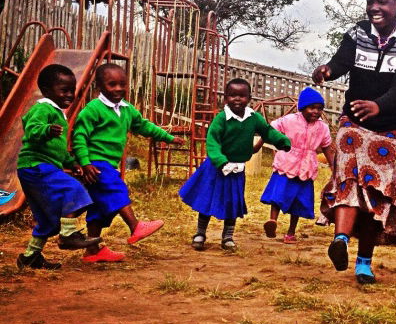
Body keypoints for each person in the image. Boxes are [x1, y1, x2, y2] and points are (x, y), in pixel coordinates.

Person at [312, 0, 396, 285]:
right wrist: (328, 69)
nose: (374, 7)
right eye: (370, 1)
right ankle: (340, 240)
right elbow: (341, 61)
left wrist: (379, 106)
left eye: (382, 1)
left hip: (392, 127)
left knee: (377, 190)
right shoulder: (356, 33)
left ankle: (364, 260)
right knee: (350, 175)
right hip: (356, 123)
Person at [72, 63, 183, 262]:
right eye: (111, 84)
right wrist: (85, 162)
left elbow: (144, 126)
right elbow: (79, 136)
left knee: (98, 208)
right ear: (100, 86)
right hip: (96, 163)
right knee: (117, 189)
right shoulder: (93, 109)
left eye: (122, 84)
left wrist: (169, 137)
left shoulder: (126, 109)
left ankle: (92, 250)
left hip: (108, 163)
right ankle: (135, 226)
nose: (118, 89)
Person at [180, 78, 291, 251]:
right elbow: (212, 141)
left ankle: (228, 237)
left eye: (242, 95)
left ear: (249, 98)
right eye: (232, 95)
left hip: (237, 169)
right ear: (225, 98)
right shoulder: (221, 119)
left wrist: (281, 141)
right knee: (207, 201)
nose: (237, 99)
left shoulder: (254, 118)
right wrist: (220, 160)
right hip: (216, 168)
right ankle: (200, 233)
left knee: (232, 202)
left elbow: (267, 131)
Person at [16, 65, 102, 269]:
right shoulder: (43, 108)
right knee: (72, 188)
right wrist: (46, 129)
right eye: (64, 90)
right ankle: (69, 235)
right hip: (36, 165)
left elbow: (59, 150)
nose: (70, 95)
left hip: (39, 167)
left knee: (48, 220)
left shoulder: (57, 112)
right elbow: (31, 130)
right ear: (46, 90)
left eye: (72, 90)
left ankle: (29, 258)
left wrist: (71, 162)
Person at [260, 87, 334, 244]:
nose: (316, 111)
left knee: (299, 202)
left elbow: (327, 147)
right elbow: (271, 129)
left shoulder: (323, 128)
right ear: (302, 107)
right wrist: (262, 143)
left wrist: (334, 167)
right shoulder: (289, 120)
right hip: (286, 164)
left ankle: (291, 232)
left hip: (306, 168)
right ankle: (272, 221)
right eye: (312, 107)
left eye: (319, 108)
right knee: (277, 195)